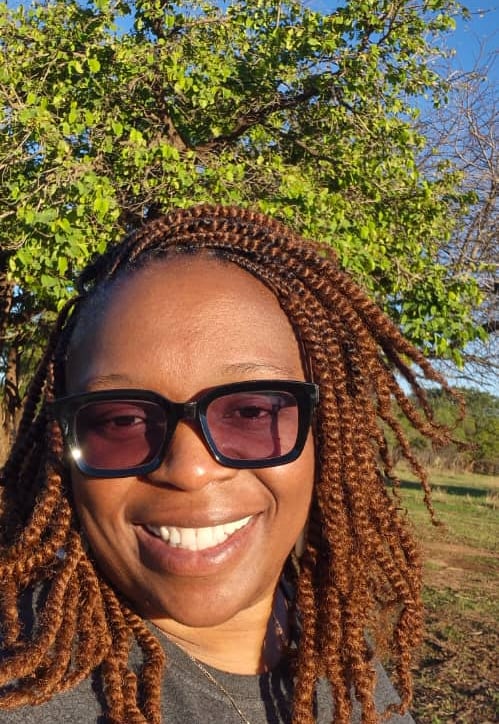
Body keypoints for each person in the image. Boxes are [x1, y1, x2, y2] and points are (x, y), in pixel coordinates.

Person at [0, 205, 458, 723]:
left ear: (326, 435)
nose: (189, 469)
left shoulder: (333, 643)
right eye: (123, 420)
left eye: (250, 412)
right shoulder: (26, 690)